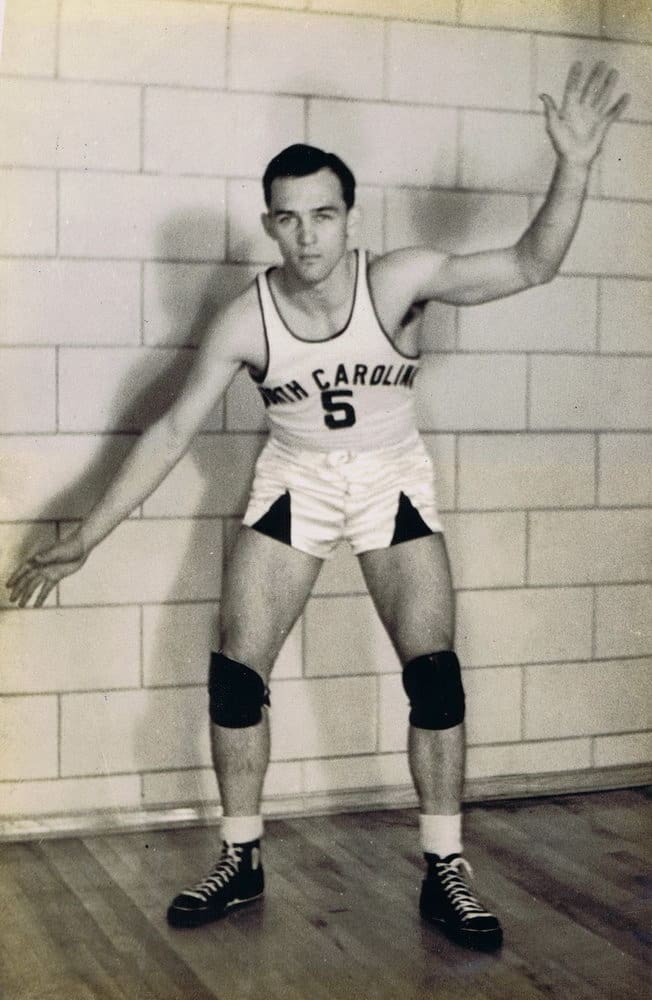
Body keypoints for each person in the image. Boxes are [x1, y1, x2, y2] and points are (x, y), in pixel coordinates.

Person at [7, 62, 627, 951]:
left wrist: (574, 164)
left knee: (435, 674)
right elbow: (171, 430)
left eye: (324, 215)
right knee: (235, 674)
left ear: (351, 218)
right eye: (289, 218)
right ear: (270, 223)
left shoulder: (397, 281)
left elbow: (533, 263)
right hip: (296, 479)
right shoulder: (246, 318)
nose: (307, 236)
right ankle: (242, 855)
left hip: (389, 477)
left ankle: (445, 866)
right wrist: (88, 536)